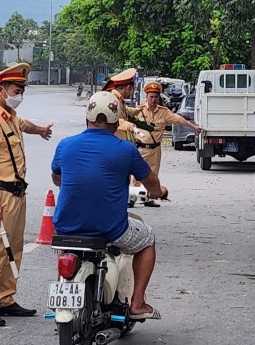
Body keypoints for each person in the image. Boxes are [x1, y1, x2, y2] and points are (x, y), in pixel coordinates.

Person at [51, 91, 168, 319]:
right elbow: (151, 182)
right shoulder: (126, 150)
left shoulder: (65, 145)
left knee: (69, 249)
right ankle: (137, 303)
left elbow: (57, 179)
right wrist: (158, 192)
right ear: (116, 124)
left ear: (87, 119)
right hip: (109, 230)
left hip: (65, 228)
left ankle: (65, 293)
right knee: (148, 239)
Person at [0, 62, 54, 327]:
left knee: (14, 248)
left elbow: (23, 124)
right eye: (16, 90)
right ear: (1, 89)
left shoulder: (8, 115)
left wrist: (40, 129)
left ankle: (5, 299)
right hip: (1, 195)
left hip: (17, 195)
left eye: (21, 90)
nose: (20, 95)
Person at [131, 81, 202, 205]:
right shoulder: (138, 110)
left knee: (153, 175)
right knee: (137, 175)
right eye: (151, 96)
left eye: (156, 97)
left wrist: (193, 126)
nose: (153, 99)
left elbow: (179, 119)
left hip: (155, 149)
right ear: (146, 97)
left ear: (159, 97)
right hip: (140, 148)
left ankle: (149, 198)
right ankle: (131, 199)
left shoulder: (164, 112)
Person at [102, 67, 155, 143]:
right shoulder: (112, 100)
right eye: (133, 90)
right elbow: (111, 118)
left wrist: (140, 109)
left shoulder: (119, 100)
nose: (132, 93)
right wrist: (128, 125)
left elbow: (127, 110)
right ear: (129, 88)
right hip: (115, 143)